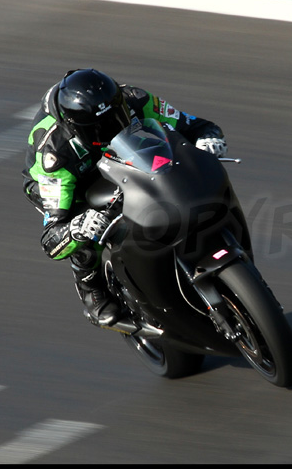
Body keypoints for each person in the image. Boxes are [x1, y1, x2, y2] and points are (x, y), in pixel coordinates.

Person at [22, 68, 228, 327]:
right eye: (98, 127)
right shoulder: (54, 156)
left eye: (115, 116)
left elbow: (195, 125)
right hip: (73, 179)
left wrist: (207, 140)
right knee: (86, 232)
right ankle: (91, 288)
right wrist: (76, 229)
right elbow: (51, 239)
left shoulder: (135, 98)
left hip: (124, 152)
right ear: (75, 128)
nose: (109, 128)